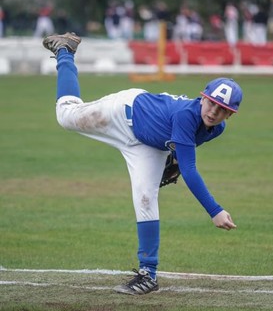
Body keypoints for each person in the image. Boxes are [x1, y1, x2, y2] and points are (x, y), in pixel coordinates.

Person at [42, 32, 243, 295]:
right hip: (123, 113)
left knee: (146, 199)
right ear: (202, 97)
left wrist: (173, 160)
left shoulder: (215, 129)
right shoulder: (187, 115)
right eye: (212, 103)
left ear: (229, 114)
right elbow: (190, 170)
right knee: (65, 115)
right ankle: (65, 51)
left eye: (222, 110)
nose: (214, 112)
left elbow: (180, 151)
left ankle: (148, 275)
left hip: (149, 145)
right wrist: (214, 210)